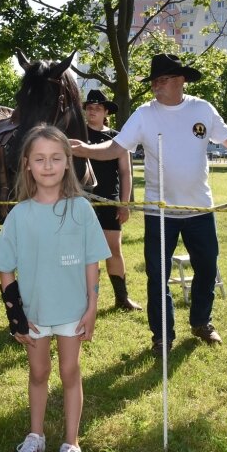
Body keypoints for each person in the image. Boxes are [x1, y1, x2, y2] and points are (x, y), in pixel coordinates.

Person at [71, 54, 227, 354]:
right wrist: (86, 149)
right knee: (157, 275)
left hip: (199, 210)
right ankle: (162, 336)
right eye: (154, 80)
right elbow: (115, 148)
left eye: (164, 79)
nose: (157, 85)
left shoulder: (202, 109)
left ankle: (201, 322)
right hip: (160, 213)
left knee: (207, 269)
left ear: (181, 80)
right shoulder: (144, 115)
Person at [0, 125, 110, 452]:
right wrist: (17, 319)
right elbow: (5, 271)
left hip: (73, 310)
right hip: (35, 313)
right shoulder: (18, 215)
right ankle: (36, 435)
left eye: (56, 158)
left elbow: (93, 262)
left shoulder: (82, 210)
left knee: (70, 372)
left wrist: (93, 305)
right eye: (40, 159)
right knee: (39, 372)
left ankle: (71, 446)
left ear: (67, 163)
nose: (48, 165)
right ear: (27, 164)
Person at [83, 89, 142, 311]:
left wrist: (124, 204)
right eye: (89, 108)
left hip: (109, 200)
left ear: (106, 111)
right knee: (86, 254)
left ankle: (122, 298)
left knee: (113, 250)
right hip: (83, 202)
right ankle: (87, 302)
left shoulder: (118, 138)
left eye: (98, 108)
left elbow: (126, 173)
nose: (93, 112)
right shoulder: (78, 137)